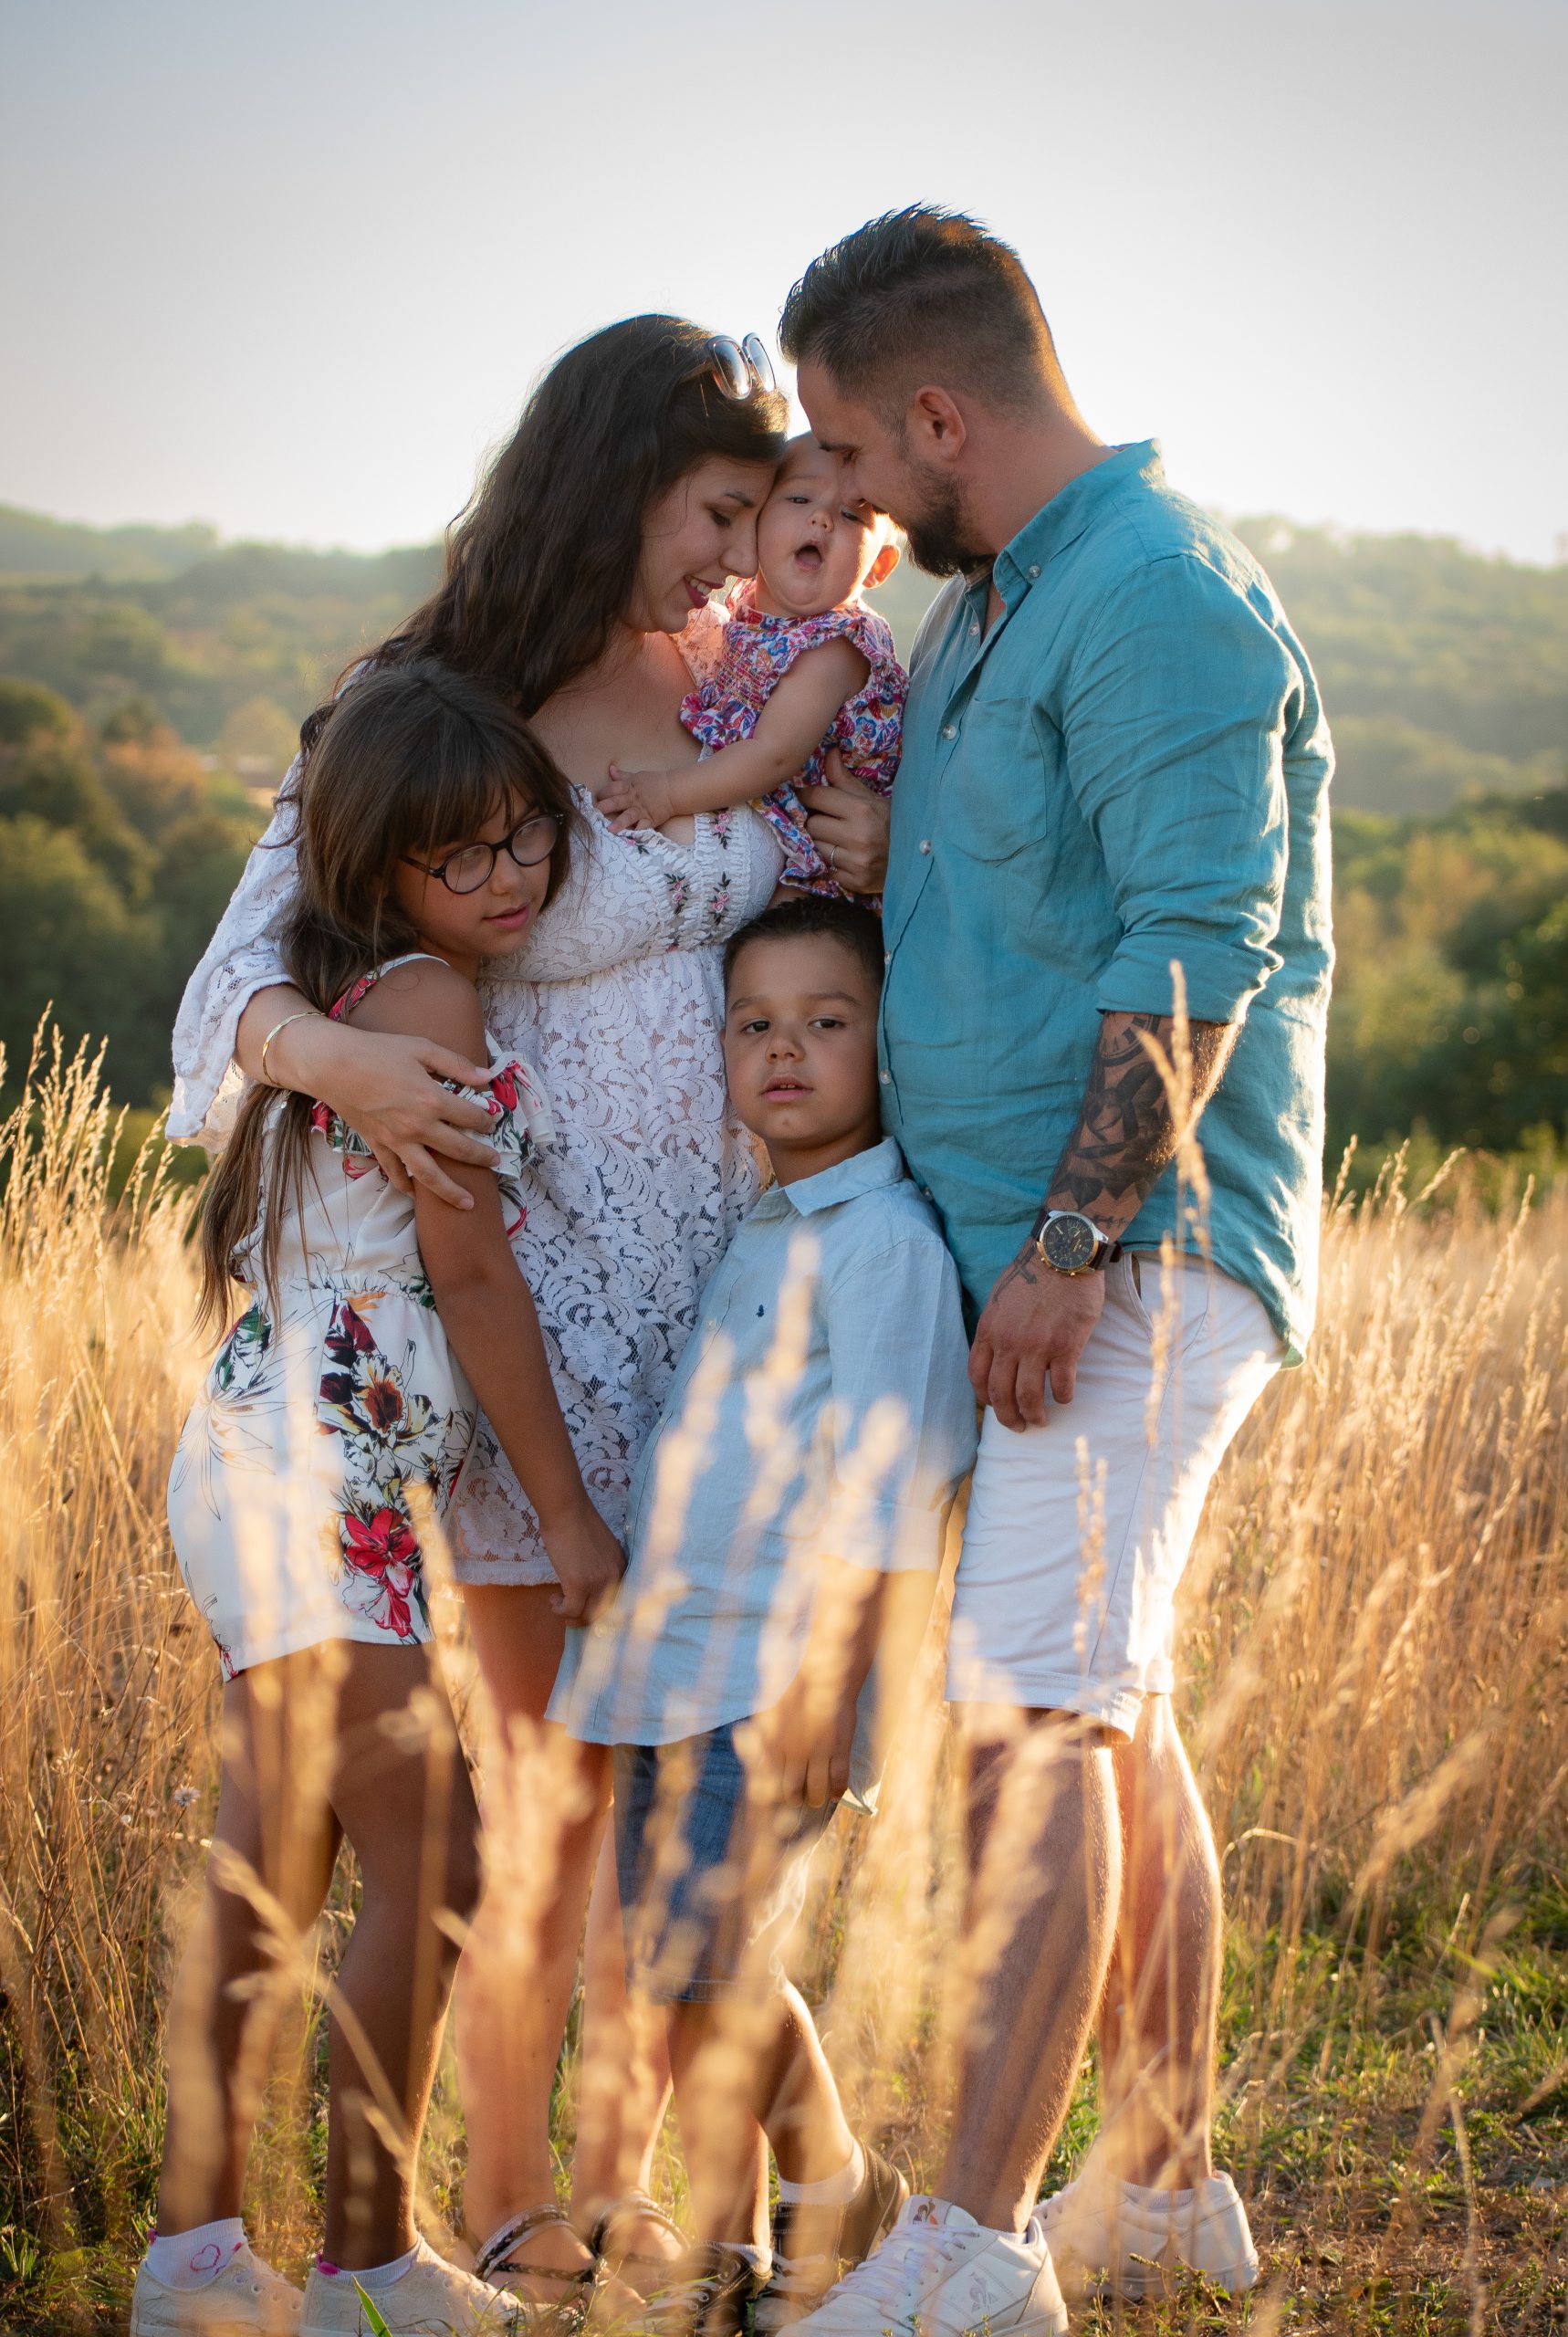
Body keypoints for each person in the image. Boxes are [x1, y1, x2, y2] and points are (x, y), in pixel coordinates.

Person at [165, 319, 837, 2300]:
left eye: (760, 516)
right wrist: (349, 1067)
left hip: (732, 1303)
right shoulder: (439, 704)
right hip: (520, 1316)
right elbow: (222, 1008)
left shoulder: (759, 681)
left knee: (684, 1789)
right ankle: (510, 2199)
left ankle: (657, 2188)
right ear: (612, 484)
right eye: (713, 510)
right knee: (547, 1788)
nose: (735, 552)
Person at [776, 208, 1334, 2330]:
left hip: (1127, 1252)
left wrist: (1072, 1242)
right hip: (1039, 1245)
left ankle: (973, 2241)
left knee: (1025, 1712)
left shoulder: (1154, 590)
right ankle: (1164, 2185)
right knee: (1108, 1703)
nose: (845, 492)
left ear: (937, 413)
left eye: (850, 444)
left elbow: (1199, 943)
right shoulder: (993, 605)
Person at [136, 665, 620, 2337]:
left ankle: (194, 2262)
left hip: (260, 1454)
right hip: (314, 1475)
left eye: (524, 838)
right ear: (375, 862)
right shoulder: (421, 1006)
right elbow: (471, 1279)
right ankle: (370, 2264)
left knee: (269, 1864)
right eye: (457, 855)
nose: (507, 878)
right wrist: (565, 1514)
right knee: (447, 1858)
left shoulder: (329, 995)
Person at [550, 896, 978, 2337]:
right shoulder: (764, 1229)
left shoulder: (885, 1244)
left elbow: (894, 1485)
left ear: (886, 1043)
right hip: (669, 1666)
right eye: (754, 1026)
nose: (784, 1049)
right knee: (680, 1979)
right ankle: (770, 2227)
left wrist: (830, 1688)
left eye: (824, 1021)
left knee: (717, 1969)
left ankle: (835, 2187)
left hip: (772, 1673)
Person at [598, 434, 904, 899]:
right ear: (758, 519)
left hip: (825, 854)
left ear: (878, 566)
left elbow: (772, 754)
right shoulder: (746, 613)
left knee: (780, 938)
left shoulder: (836, 646)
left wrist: (666, 793)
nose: (822, 518)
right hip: (779, 825)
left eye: (850, 515)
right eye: (799, 499)